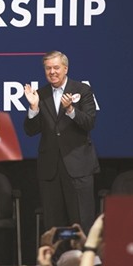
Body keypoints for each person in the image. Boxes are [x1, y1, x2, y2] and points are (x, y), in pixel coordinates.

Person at [24, 50, 99, 234]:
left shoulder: (82, 90)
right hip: (51, 170)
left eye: (56, 67)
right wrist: (33, 108)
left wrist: (71, 110)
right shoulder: (40, 94)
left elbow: (89, 123)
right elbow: (30, 130)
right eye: (48, 68)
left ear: (65, 68)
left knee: (81, 222)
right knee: (54, 225)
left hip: (78, 168)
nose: (52, 72)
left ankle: (83, 261)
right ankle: (56, 261)